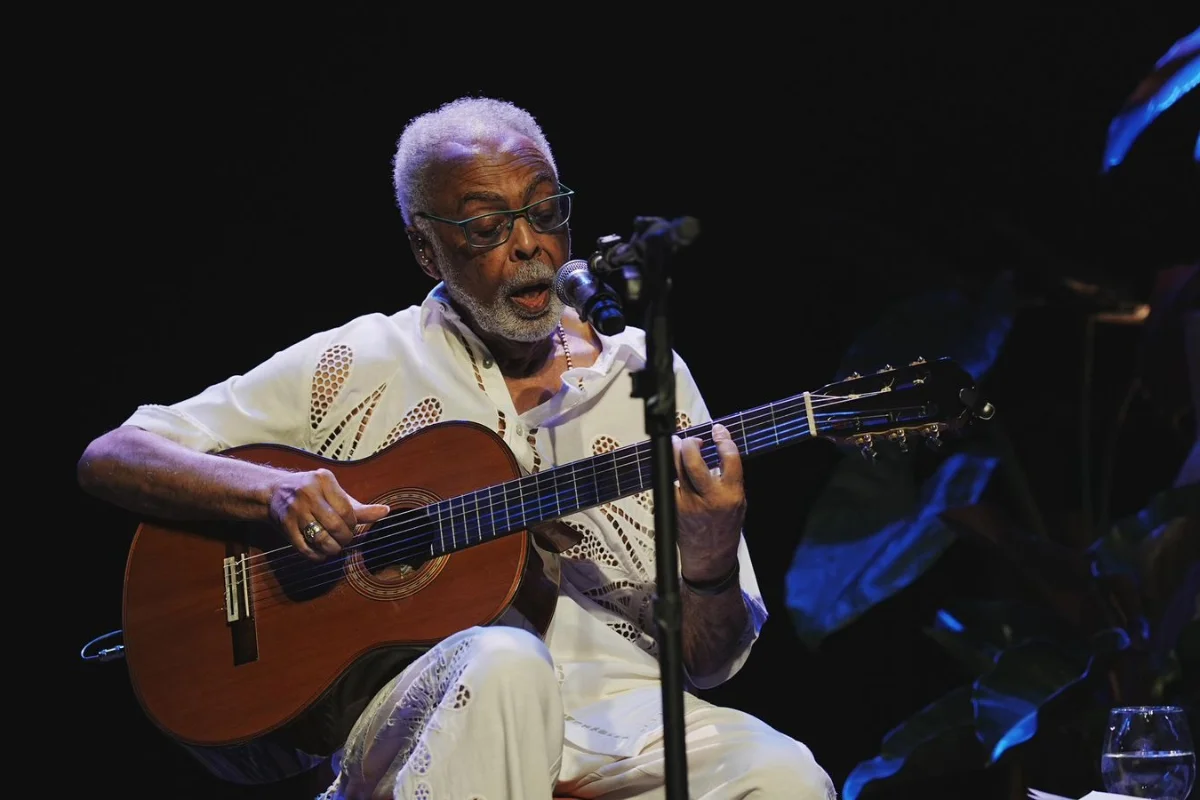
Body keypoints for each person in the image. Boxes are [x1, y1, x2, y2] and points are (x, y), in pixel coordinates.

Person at [77, 95, 837, 800]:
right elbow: (115, 454)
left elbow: (708, 662)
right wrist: (272, 492)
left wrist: (710, 552)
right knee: (507, 665)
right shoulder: (362, 361)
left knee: (787, 778)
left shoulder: (645, 375)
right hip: (428, 710)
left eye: (546, 210)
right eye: (486, 226)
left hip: (617, 713)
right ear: (425, 247)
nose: (529, 244)